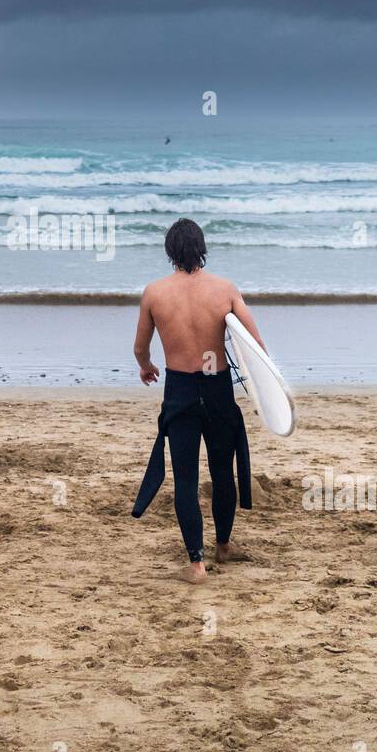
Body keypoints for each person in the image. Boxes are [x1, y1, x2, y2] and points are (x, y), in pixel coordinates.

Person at [132, 218, 266, 582]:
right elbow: (257, 348)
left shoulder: (155, 293)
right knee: (223, 471)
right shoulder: (224, 290)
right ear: (202, 247)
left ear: (169, 251)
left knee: (187, 478)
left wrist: (146, 367)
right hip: (217, 387)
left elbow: (140, 348)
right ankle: (223, 546)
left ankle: (196, 564)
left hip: (180, 392)